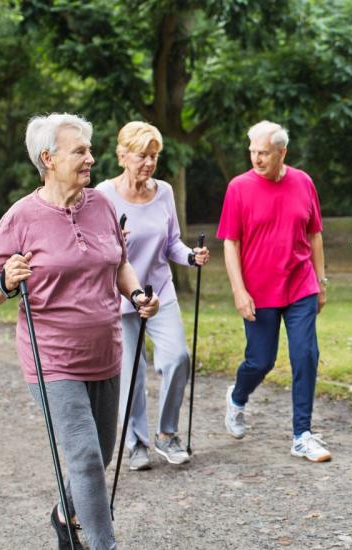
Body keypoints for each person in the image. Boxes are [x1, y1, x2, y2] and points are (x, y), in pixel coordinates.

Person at [0, 113, 159, 550]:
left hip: (106, 350)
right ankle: (103, 544)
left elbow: (119, 264)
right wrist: (7, 280)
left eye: (90, 150)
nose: (90, 159)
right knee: (85, 456)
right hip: (53, 359)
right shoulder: (21, 216)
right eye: (80, 151)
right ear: (48, 158)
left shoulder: (101, 205)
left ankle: (64, 513)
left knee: (102, 453)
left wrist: (136, 297)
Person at [97, 121, 210, 470]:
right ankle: (136, 443)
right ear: (123, 155)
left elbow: (172, 241)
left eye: (154, 156)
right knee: (131, 374)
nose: (149, 163)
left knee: (178, 357)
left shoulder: (163, 192)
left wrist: (191, 256)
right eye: (142, 155)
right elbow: (94, 248)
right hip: (121, 297)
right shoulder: (103, 194)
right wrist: (113, 239)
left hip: (160, 291)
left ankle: (167, 434)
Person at [218, 120, 330, 462]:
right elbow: (230, 243)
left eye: (263, 152)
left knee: (305, 355)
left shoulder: (303, 182)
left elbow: (315, 235)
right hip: (259, 290)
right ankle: (237, 398)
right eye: (252, 151)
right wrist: (239, 291)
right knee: (261, 360)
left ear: (282, 152)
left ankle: (302, 434)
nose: (256, 158)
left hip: (300, 284)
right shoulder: (239, 187)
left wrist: (321, 282)